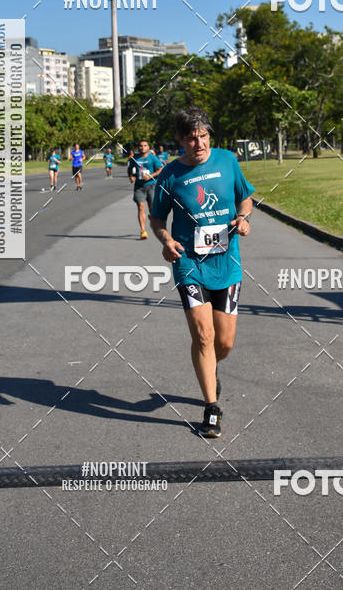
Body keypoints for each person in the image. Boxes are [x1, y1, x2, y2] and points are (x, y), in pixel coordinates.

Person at [150, 107, 254, 439]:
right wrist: (166, 240)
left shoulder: (227, 161)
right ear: (180, 139)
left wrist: (243, 217)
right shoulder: (169, 175)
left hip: (227, 264)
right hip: (188, 264)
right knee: (204, 336)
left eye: (204, 135)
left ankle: (210, 366)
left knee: (224, 342)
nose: (199, 143)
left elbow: (246, 198)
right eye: (192, 138)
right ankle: (211, 408)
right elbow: (157, 219)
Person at [127, 140, 164, 239]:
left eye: (145, 145)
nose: (142, 147)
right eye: (140, 146)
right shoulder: (134, 158)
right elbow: (130, 169)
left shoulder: (152, 158)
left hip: (151, 185)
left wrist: (151, 175)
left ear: (148, 147)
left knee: (152, 209)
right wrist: (131, 177)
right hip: (139, 186)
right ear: (138, 147)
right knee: (140, 207)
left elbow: (160, 169)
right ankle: (143, 231)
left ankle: (152, 218)